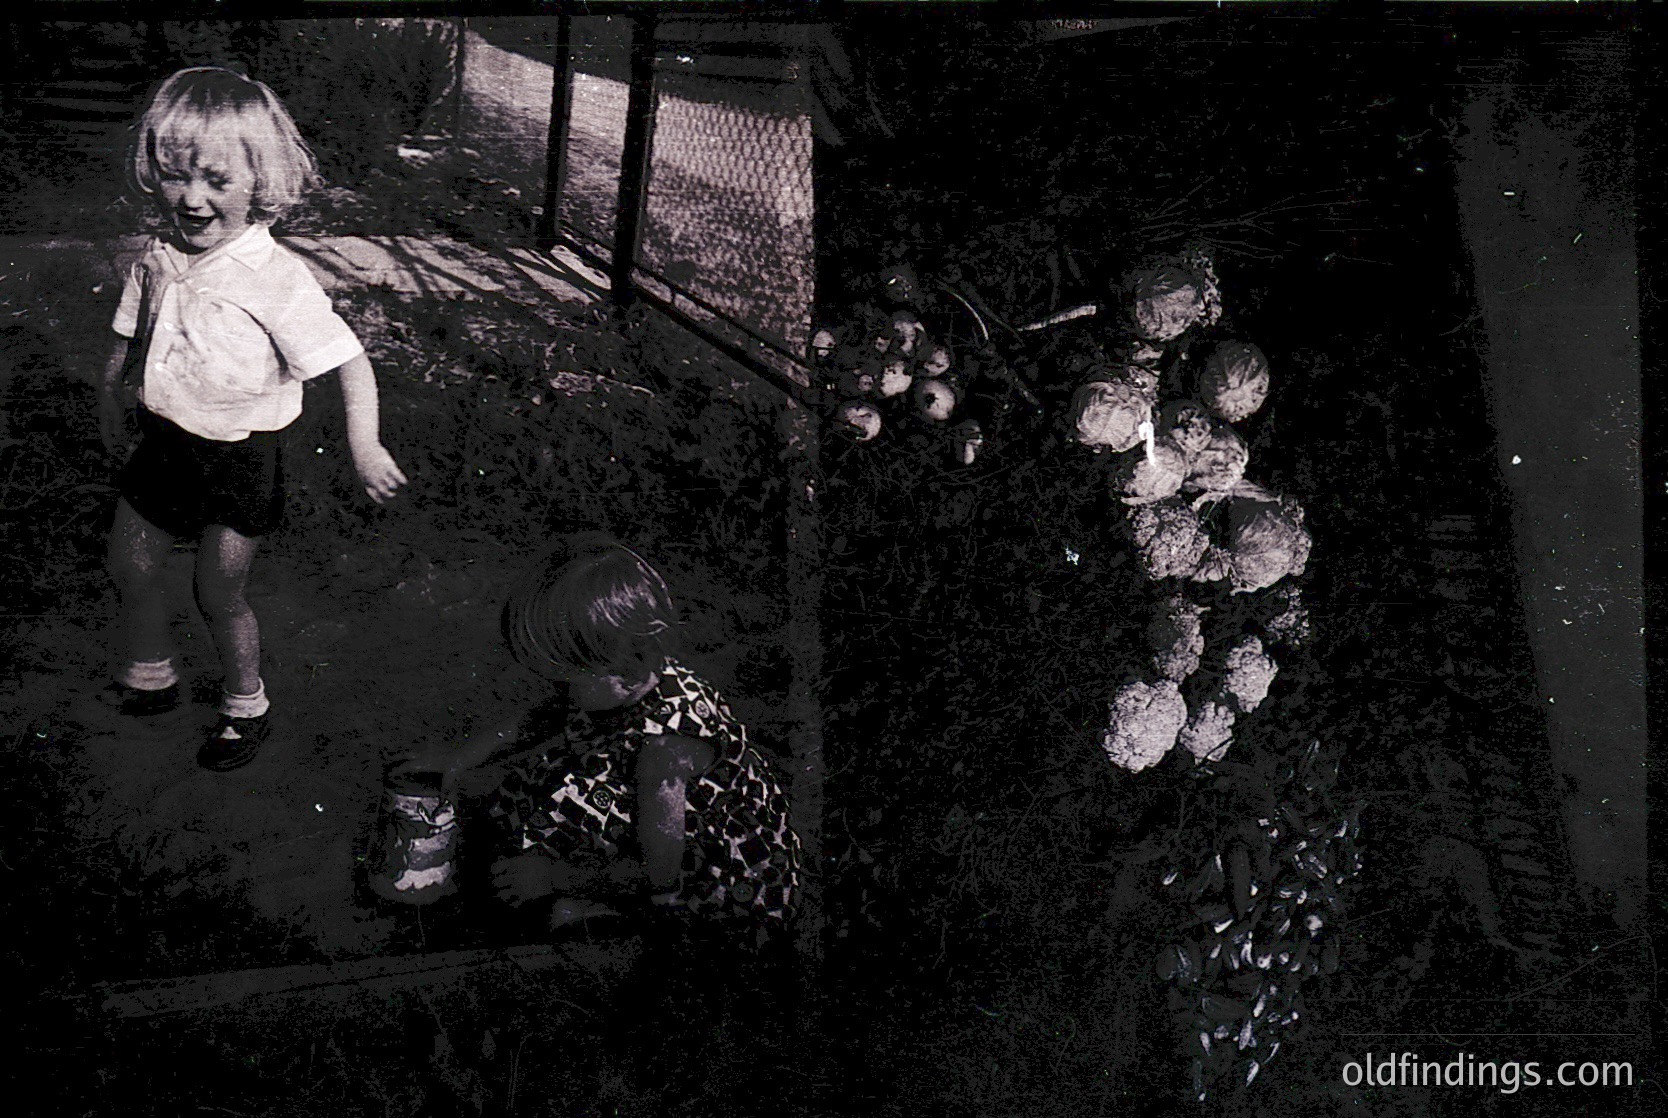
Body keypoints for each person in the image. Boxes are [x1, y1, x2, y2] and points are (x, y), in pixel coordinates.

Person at [98, 67, 406, 770]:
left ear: (259, 180)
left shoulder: (276, 278)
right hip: (165, 440)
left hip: (238, 457)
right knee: (130, 562)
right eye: (176, 175)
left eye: (215, 179)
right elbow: (127, 338)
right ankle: (151, 676)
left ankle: (246, 703)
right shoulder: (156, 259)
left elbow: (350, 362)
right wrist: (110, 396)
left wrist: (364, 447)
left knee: (218, 590)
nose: (192, 197)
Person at [400, 533, 802, 946]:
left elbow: (658, 870)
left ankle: (606, 925)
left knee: (572, 911)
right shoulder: (630, 675)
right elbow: (544, 717)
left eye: (568, 678)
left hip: (714, 895)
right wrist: (461, 758)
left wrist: (556, 876)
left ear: (627, 670)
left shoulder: (662, 756)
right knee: (540, 791)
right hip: (655, 834)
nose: (557, 687)